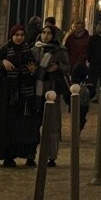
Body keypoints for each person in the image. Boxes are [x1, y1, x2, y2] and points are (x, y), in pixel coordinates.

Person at [0, 25, 42, 167]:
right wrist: (2, 62)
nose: (19, 37)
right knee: (0, 125)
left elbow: (32, 69)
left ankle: (10, 156)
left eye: (22, 35)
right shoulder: (3, 50)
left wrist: (33, 71)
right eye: (17, 35)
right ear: (12, 36)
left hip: (22, 96)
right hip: (5, 94)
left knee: (17, 127)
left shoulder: (28, 51)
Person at [33, 25, 70, 165]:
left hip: (52, 89)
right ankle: (31, 154)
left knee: (52, 124)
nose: (46, 36)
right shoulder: (35, 49)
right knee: (35, 122)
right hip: (37, 89)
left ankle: (51, 155)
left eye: (49, 33)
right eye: (44, 32)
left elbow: (67, 67)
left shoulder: (60, 51)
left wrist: (58, 67)